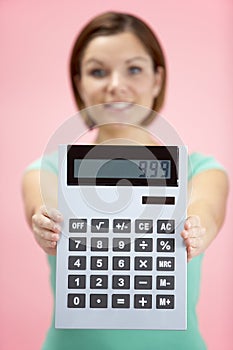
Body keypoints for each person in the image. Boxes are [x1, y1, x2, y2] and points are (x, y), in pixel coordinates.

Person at [22, 11, 228, 350]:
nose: (115, 85)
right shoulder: (47, 171)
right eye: (97, 71)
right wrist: (48, 223)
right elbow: (43, 205)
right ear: (79, 83)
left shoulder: (201, 170)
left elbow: (207, 210)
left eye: (133, 69)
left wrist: (196, 228)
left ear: (157, 79)